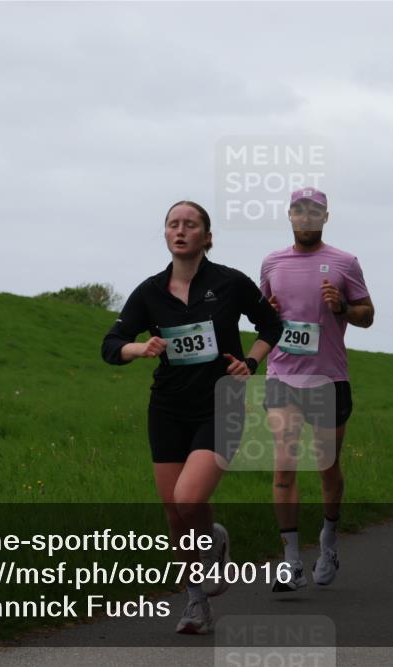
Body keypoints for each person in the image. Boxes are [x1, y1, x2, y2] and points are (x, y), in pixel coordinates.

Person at [101, 200, 283, 633]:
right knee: (174, 514)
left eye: (191, 224)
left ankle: (215, 542)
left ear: (207, 235)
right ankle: (197, 603)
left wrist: (251, 363)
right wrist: (139, 348)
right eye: (173, 224)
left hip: (221, 404)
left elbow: (271, 326)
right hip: (167, 408)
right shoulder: (150, 291)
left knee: (188, 498)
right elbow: (111, 344)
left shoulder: (230, 282)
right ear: (166, 235)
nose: (181, 230)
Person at [260, 187, 374, 591]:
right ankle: (290, 560)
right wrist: (268, 314)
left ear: (326, 217)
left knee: (327, 466)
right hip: (282, 376)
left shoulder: (344, 262)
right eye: (298, 211)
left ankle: (328, 539)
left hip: (328, 379)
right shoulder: (272, 262)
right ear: (289, 215)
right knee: (285, 459)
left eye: (314, 212)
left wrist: (343, 307)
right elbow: (263, 316)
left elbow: (368, 315)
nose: (306, 217)